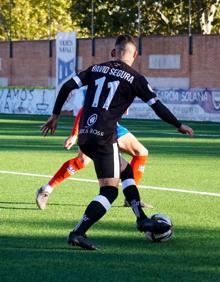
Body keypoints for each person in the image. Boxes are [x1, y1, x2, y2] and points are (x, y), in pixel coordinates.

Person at [41, 34, 194, 250]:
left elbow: (66, 86)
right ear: (135, 55)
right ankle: (78, 232)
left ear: (113, 53)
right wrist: (178, 125)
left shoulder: (96, 68)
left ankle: (141, 217)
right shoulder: (136, 78)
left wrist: (55, 116)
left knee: (125, 170)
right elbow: (157, 106)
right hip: (105, 136)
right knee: (109, 191)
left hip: (85, 133)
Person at [36, 107, 152, 210]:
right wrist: (74, 135)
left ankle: (131, 198)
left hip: (111, 125)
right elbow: (84, 108)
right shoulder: (108, 85)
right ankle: (46, 189)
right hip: (93, 125)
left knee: (141, 152)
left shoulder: (125, 86)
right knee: (82, 160)